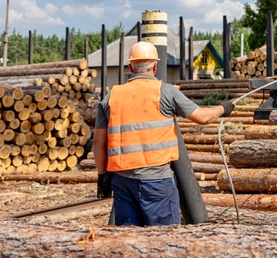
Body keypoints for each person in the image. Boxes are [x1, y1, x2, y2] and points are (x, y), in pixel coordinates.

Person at [93, 40, 233, 226]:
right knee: (164, 238)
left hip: (122, 182)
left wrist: (102, 175)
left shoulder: (111, 96)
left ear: (130, 67)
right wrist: (224, 108)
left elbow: (99, 143)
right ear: (155, 66)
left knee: (127, 239)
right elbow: (202, 117)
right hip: (156, 181)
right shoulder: (166, 92)